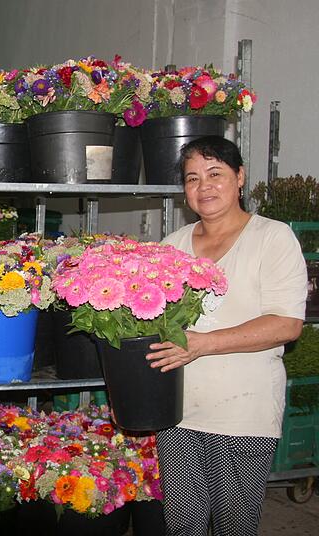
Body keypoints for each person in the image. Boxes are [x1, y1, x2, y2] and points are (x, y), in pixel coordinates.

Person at [146, 135, 307, 536]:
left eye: (215, 173)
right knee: (183, 526)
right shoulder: (173, 246)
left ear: (240, 177)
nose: (204, 187)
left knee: (235, 526)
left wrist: (202, 344)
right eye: (192, 178)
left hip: (242, 415)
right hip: (178, 414)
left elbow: (287, 323)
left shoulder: (273, 238)